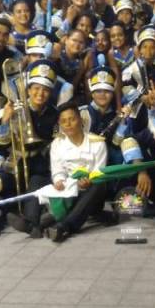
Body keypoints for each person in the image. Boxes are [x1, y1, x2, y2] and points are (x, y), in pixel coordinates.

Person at [0, 61, 63, 238]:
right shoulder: (14, 109)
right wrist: (5, 121)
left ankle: (31, 223)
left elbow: (57, 141)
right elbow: (2, 143)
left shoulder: (54, 113)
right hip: (15, 162)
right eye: (36, 88)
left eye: (45, 90)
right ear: (28, 90)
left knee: (36, 182)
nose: (40, 93)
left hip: (41, 162)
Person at [46, 103, 114, 243]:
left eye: (72, 119)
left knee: (98, 185)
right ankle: (35, 226)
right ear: (60, 124)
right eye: (64, 121)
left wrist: (86, 183)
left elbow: (98, 172)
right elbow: (58, 171)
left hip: (91, 190)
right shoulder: (57, 144)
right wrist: (59, 182)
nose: (68, 124)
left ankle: (65, 226)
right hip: (69, 190)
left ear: (81, 120)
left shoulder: (97, 143)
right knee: (51, 190)